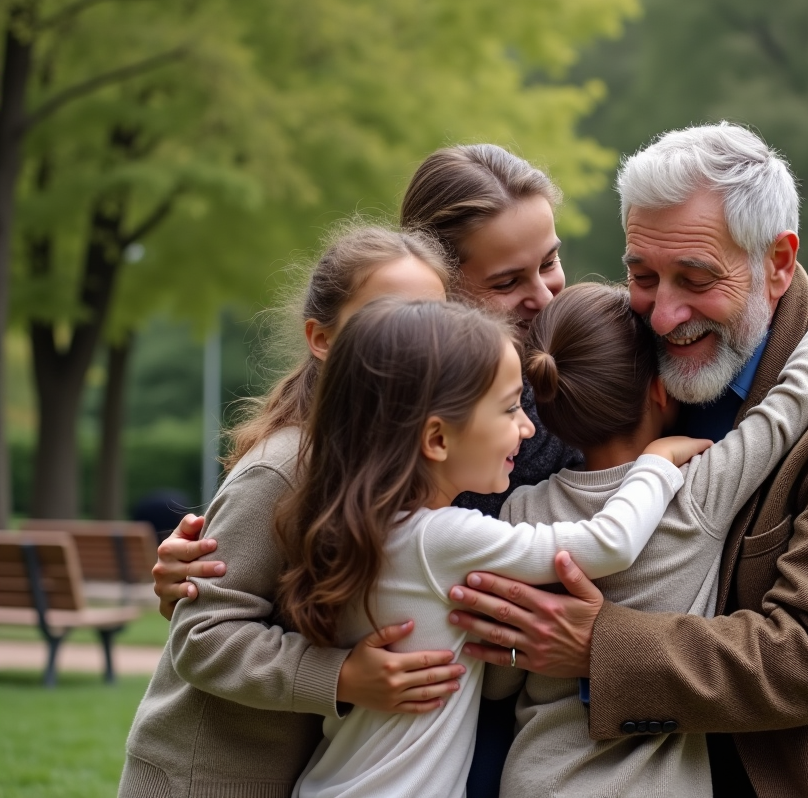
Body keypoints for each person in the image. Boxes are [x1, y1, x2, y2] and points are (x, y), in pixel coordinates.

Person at [443, 124, 808, 796]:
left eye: (694, 278)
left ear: (776, 262)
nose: (662, 314)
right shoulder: (639, 364)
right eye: (641, 274)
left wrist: (595, 647)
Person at [148, 144, 583, 797]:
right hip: (219, 773)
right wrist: (340, 675)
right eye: (505, 281)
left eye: (550, 262)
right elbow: (206, 627)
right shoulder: (297, 463)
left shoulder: (445, 441)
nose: (544, 295)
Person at [280, 298, 703, 798]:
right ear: (436, 439)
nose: (527, 427)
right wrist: (656, 461)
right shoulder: (443, 538)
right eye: (509, 409)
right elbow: (607, 544)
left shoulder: (355, 530)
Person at [481, 278, 808, 797]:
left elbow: (498, 678)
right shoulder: (693, 492)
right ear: (660, 390)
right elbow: (793, 401)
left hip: (532, 779)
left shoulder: (521, 510)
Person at [119, 226, 466, 798]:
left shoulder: (388, 470)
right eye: (385, 320)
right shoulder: (283, 470)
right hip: (201, 779)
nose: (413, 344)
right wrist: (341, 676)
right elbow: (201, 634)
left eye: (433, 321)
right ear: (322, 338)